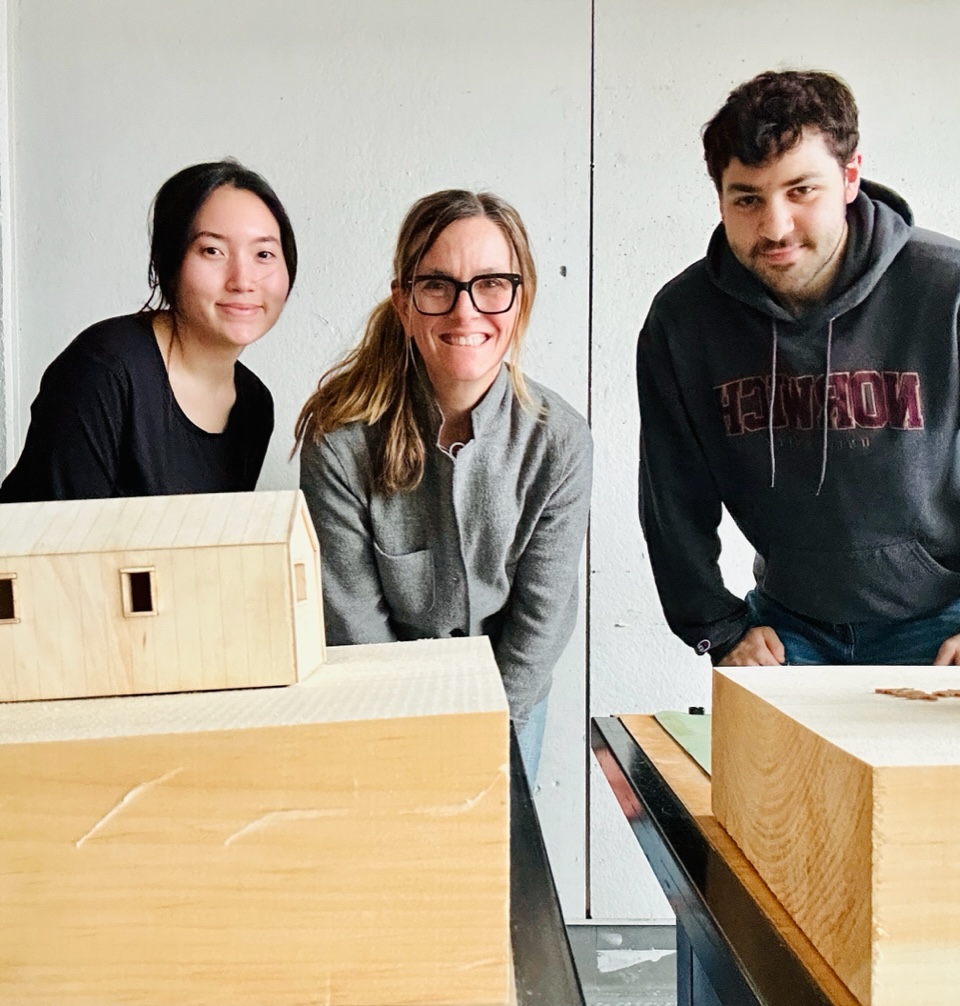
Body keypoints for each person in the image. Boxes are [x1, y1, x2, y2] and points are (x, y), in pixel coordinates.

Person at [637, 69, 960, 668]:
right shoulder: (683, 321)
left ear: (850, 176)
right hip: (788, 632)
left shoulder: (947, 289)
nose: (775, 226)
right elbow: (672, 497)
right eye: (747, 199)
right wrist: (717, 629)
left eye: (801, 190)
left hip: (944, 626)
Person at [295, 189, 592, 780]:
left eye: (492, 284)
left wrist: (489, 732)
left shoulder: (560, 441)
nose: (465, 311)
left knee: (501, 841)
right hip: (382, 706)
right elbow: (351, 617)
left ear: (521, 300)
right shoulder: (339, 439)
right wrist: (414, 740)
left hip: (510, 702)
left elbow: (542, 616)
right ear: (404, 304)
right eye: (437, 285)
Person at [0, 159, 297, 502]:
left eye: (264, 254)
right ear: (168, 262)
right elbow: (55, 532)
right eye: (212, 251)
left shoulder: (253, 404)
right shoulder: (105, 367)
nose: (242, 281)